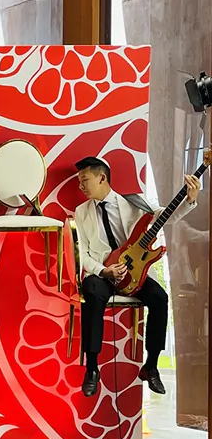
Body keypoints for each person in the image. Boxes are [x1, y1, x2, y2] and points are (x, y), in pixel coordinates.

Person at [74, 156, 200, 397]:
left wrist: (190, 201)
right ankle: (92, 369)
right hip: (102, 272)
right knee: (92, 291)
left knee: (160, 298)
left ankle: (151, 366)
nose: (81, 186)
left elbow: (166, 215)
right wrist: (104, 270)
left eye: (84, 180)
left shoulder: (134, 203)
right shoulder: (81, 212)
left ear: (102, 178)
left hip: (135, 272)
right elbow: (83, 254)